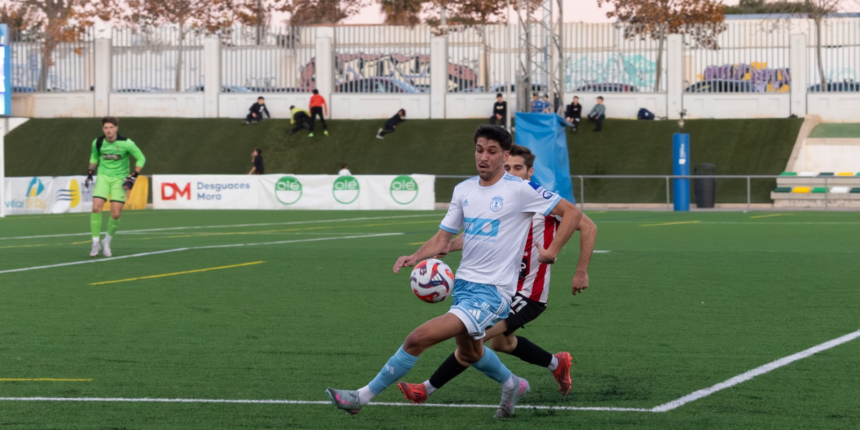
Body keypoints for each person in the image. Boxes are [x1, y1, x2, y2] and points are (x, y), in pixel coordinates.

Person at [326, 125, 585, 419]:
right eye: (479, 150)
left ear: (505, 155)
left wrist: (553, 251)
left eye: (492, 151)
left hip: (493, 293)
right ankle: (513, 384)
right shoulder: (464, 190)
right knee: (470, 353)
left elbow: (573, 213)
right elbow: (442, 239)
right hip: (463, 287)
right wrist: (415, 255)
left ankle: (361, 397)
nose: (483, 157)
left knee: (417, 339)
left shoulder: (520, 189)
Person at [398, 145, 597, 403]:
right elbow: (480, 235)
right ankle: (555, 363)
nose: (511, 172)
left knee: (472, 334)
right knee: (502, 344)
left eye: (518, 168)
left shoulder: (545, 203)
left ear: (530, 171)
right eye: (508, 167)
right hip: (499, 287)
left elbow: (589, 226)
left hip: (527, 293)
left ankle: (426, 389)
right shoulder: (504, 201)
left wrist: (580, 271)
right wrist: (449, 244)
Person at [85, 116, 146, 258]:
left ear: (116, 128)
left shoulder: (127, 143)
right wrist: (90, 171)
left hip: (120, 180)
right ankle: (95, 242)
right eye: (106, 128)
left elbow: (141, 158)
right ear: (103, 129)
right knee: (96, 207)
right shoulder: (98, 142)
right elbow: (94, 156)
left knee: (116, 213)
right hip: (103, 178)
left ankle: (106, 241)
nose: (109, 131)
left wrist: (133, 176)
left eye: (111, 127)